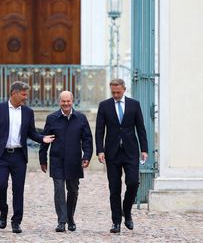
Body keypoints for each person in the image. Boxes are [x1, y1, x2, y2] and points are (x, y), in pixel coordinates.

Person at [0, 81, 55, 234]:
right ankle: (3, 210)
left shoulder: (28, 112)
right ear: (14, 93)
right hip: (0, 156)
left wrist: (43, 139)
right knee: (0, 186)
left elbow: (31, 133)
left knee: (18, 189)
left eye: (26, 94)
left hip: (19, 156)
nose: (26, 97)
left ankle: (16, 221)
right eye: (23, 94)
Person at [95, 78, 148, 233]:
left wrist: (144, 149)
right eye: (113, 92)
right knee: (114, 188)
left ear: (124, 89)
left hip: (130, 151)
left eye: (118, 92)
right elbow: (99, 130)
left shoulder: (134, 105)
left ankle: (127, 210)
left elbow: (141, 128)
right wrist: (100, 150)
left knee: (133, 183)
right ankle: (116, 222)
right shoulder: (104, 105)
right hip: (112, 153)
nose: (116, 95)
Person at [39, 90, 93, 232]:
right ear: (59, 102)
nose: (66, 104)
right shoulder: (52, 118)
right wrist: (42, 158)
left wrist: (86, 156)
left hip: (74, 161)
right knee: (59, 190)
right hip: (57, 160)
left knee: (73, 190)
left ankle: (70, 217)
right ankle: (61, 221)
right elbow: (45, 139)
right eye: (63, 101)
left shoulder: (81, 118)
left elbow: (87, 139)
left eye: (68, 101)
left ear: (72, 101)